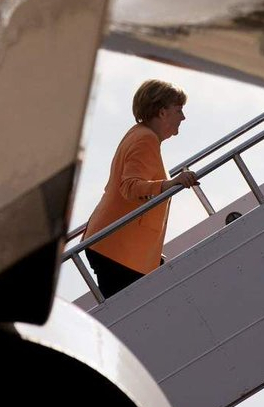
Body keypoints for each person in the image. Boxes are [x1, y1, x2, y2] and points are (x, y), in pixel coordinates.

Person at [82, 79, 199, 299]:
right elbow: (130, 186)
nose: (183, 117)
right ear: (162, 112)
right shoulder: (145, 139)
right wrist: (170, 184)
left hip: (117, 247)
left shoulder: (139, 134)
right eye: (179, 110)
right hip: (118, 250)